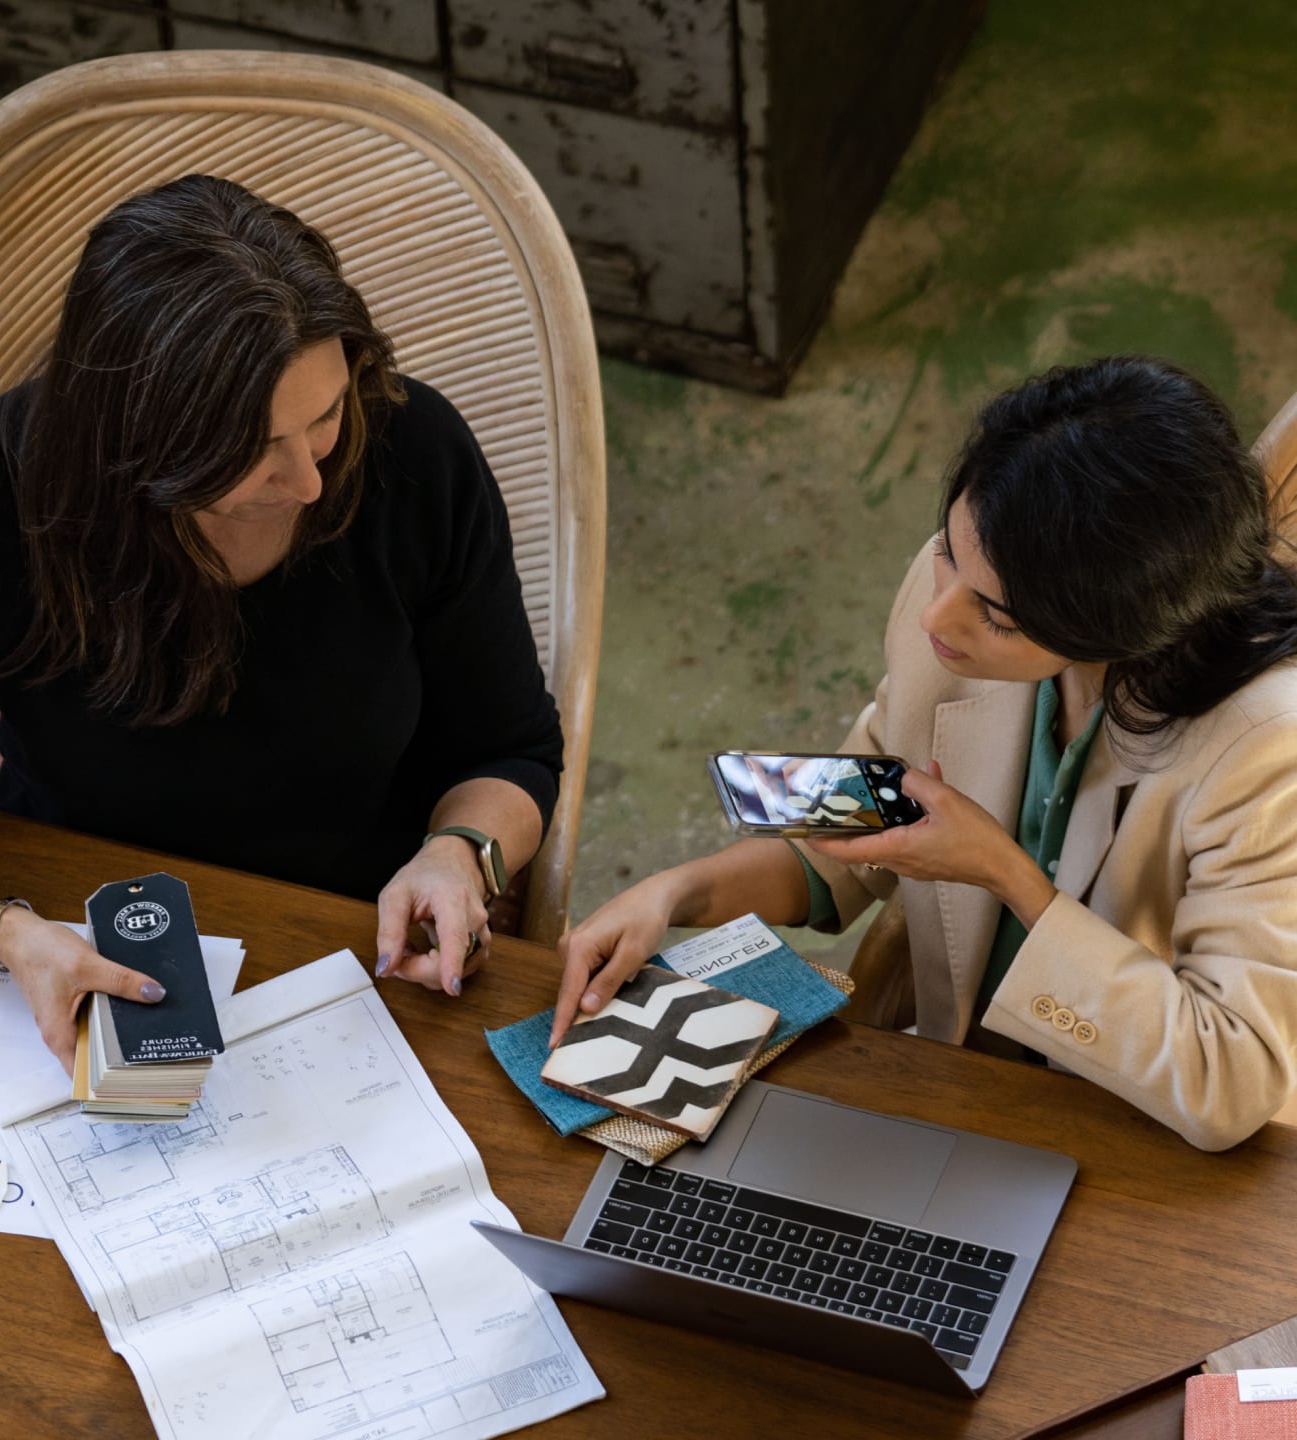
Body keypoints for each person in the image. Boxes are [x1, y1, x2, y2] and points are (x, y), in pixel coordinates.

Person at [0, 175, 562, 1073]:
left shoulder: (412, 454)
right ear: (133, 439)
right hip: (66, 921)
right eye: (252, 452)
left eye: (325, 416)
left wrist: (462, 853)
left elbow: (513, 749)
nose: (310, 483)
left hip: (352, 945)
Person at [553, 355, 1297, 1151]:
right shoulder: (957, 592)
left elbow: (1231, 1080)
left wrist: (1001, 870)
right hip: (963, 1085)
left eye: (998, 616)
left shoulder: (1265, 749)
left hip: (1134, 1139)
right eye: (949, 547)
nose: (938, 616)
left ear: (1117, 630)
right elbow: (850, 836)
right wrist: (674, 895)